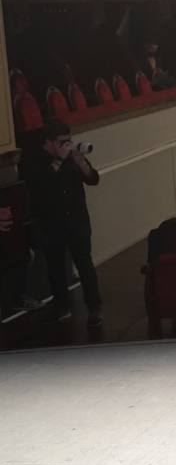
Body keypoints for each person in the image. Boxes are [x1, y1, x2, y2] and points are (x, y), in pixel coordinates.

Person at [20, 120, 102, 327]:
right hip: (51, 223)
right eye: (61, 141)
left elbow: (93, 179)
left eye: (69, 140)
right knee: (55, 267)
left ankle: (94, 309)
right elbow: (36, 186)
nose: (67, 144)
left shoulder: (73, 158)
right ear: (48, 143)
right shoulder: (34, 161)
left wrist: (81, 161)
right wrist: (58, 163)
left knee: (85, 265)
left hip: (77, 221)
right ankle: (62, 307)